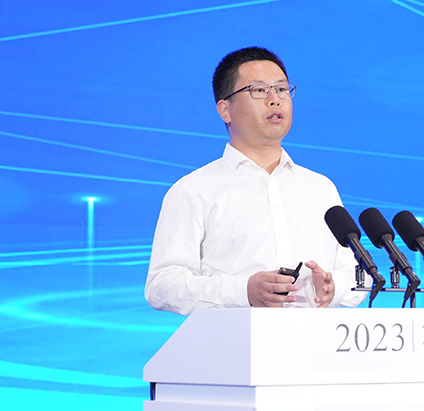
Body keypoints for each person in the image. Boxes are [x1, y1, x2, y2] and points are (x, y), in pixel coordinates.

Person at [145, 47, 366, 314]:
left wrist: (333, 287)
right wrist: (244, 291)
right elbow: (162, 285)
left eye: (282, 89)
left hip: (314, 338)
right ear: (225, 110)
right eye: (259, 90)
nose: (275, 100)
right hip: (234, 339)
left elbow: (358, 274)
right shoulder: (194, 190)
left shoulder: (320, 188)